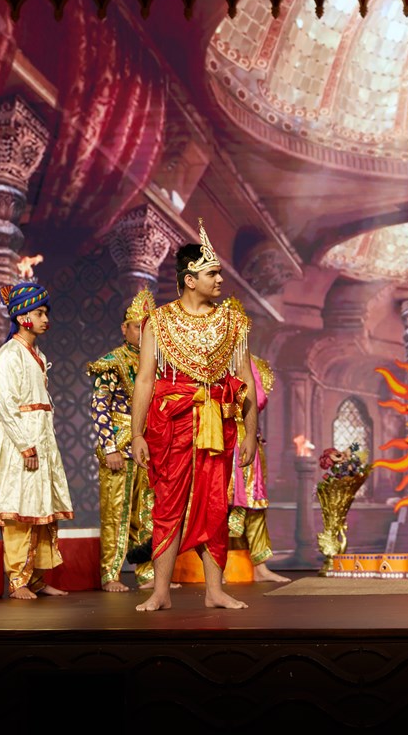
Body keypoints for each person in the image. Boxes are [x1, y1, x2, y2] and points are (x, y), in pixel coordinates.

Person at [131, 218, 257, 611]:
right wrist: (136, 434)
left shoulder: (233, 321)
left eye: (219, 273)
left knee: (215, 504)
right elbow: (145, 380)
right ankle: (160, 592)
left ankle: (215, 590)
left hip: (218, 425)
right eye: (212, 273)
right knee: (167, 504)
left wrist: (251, 433)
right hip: (172, 425)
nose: (220, 280)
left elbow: (246, 380)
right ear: (190, 279)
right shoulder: (159, 322)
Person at [0, 281, 73, 599]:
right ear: (23, 317)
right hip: (19, 440)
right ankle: (17, 580)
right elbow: (7, 404)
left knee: (40, 507)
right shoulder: (8, 354)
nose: (45, 319)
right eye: (39, 313)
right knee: (18, 509)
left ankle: (36, 578)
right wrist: (26, 445)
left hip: (40, 436)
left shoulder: (37, 353)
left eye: (45, 313)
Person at [88, 289, 156, 592]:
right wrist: (110, 447)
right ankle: (110, 574)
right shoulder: (111, 363)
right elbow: (99, 407)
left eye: (148, 328)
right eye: (137, 327)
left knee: (147, 511)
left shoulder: (156, 364)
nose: (142, 333)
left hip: (148, 447)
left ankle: (146, 572)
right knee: (116, 512)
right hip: (119, 443)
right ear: (124, 328)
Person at [228, 355, 289, 583]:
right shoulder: (206, 358)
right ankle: (215, 567)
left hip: (245, 439)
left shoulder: (248, 361)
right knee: (216, 504)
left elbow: (258, 399)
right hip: (215, 439)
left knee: (255, 504)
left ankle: (260, 567)